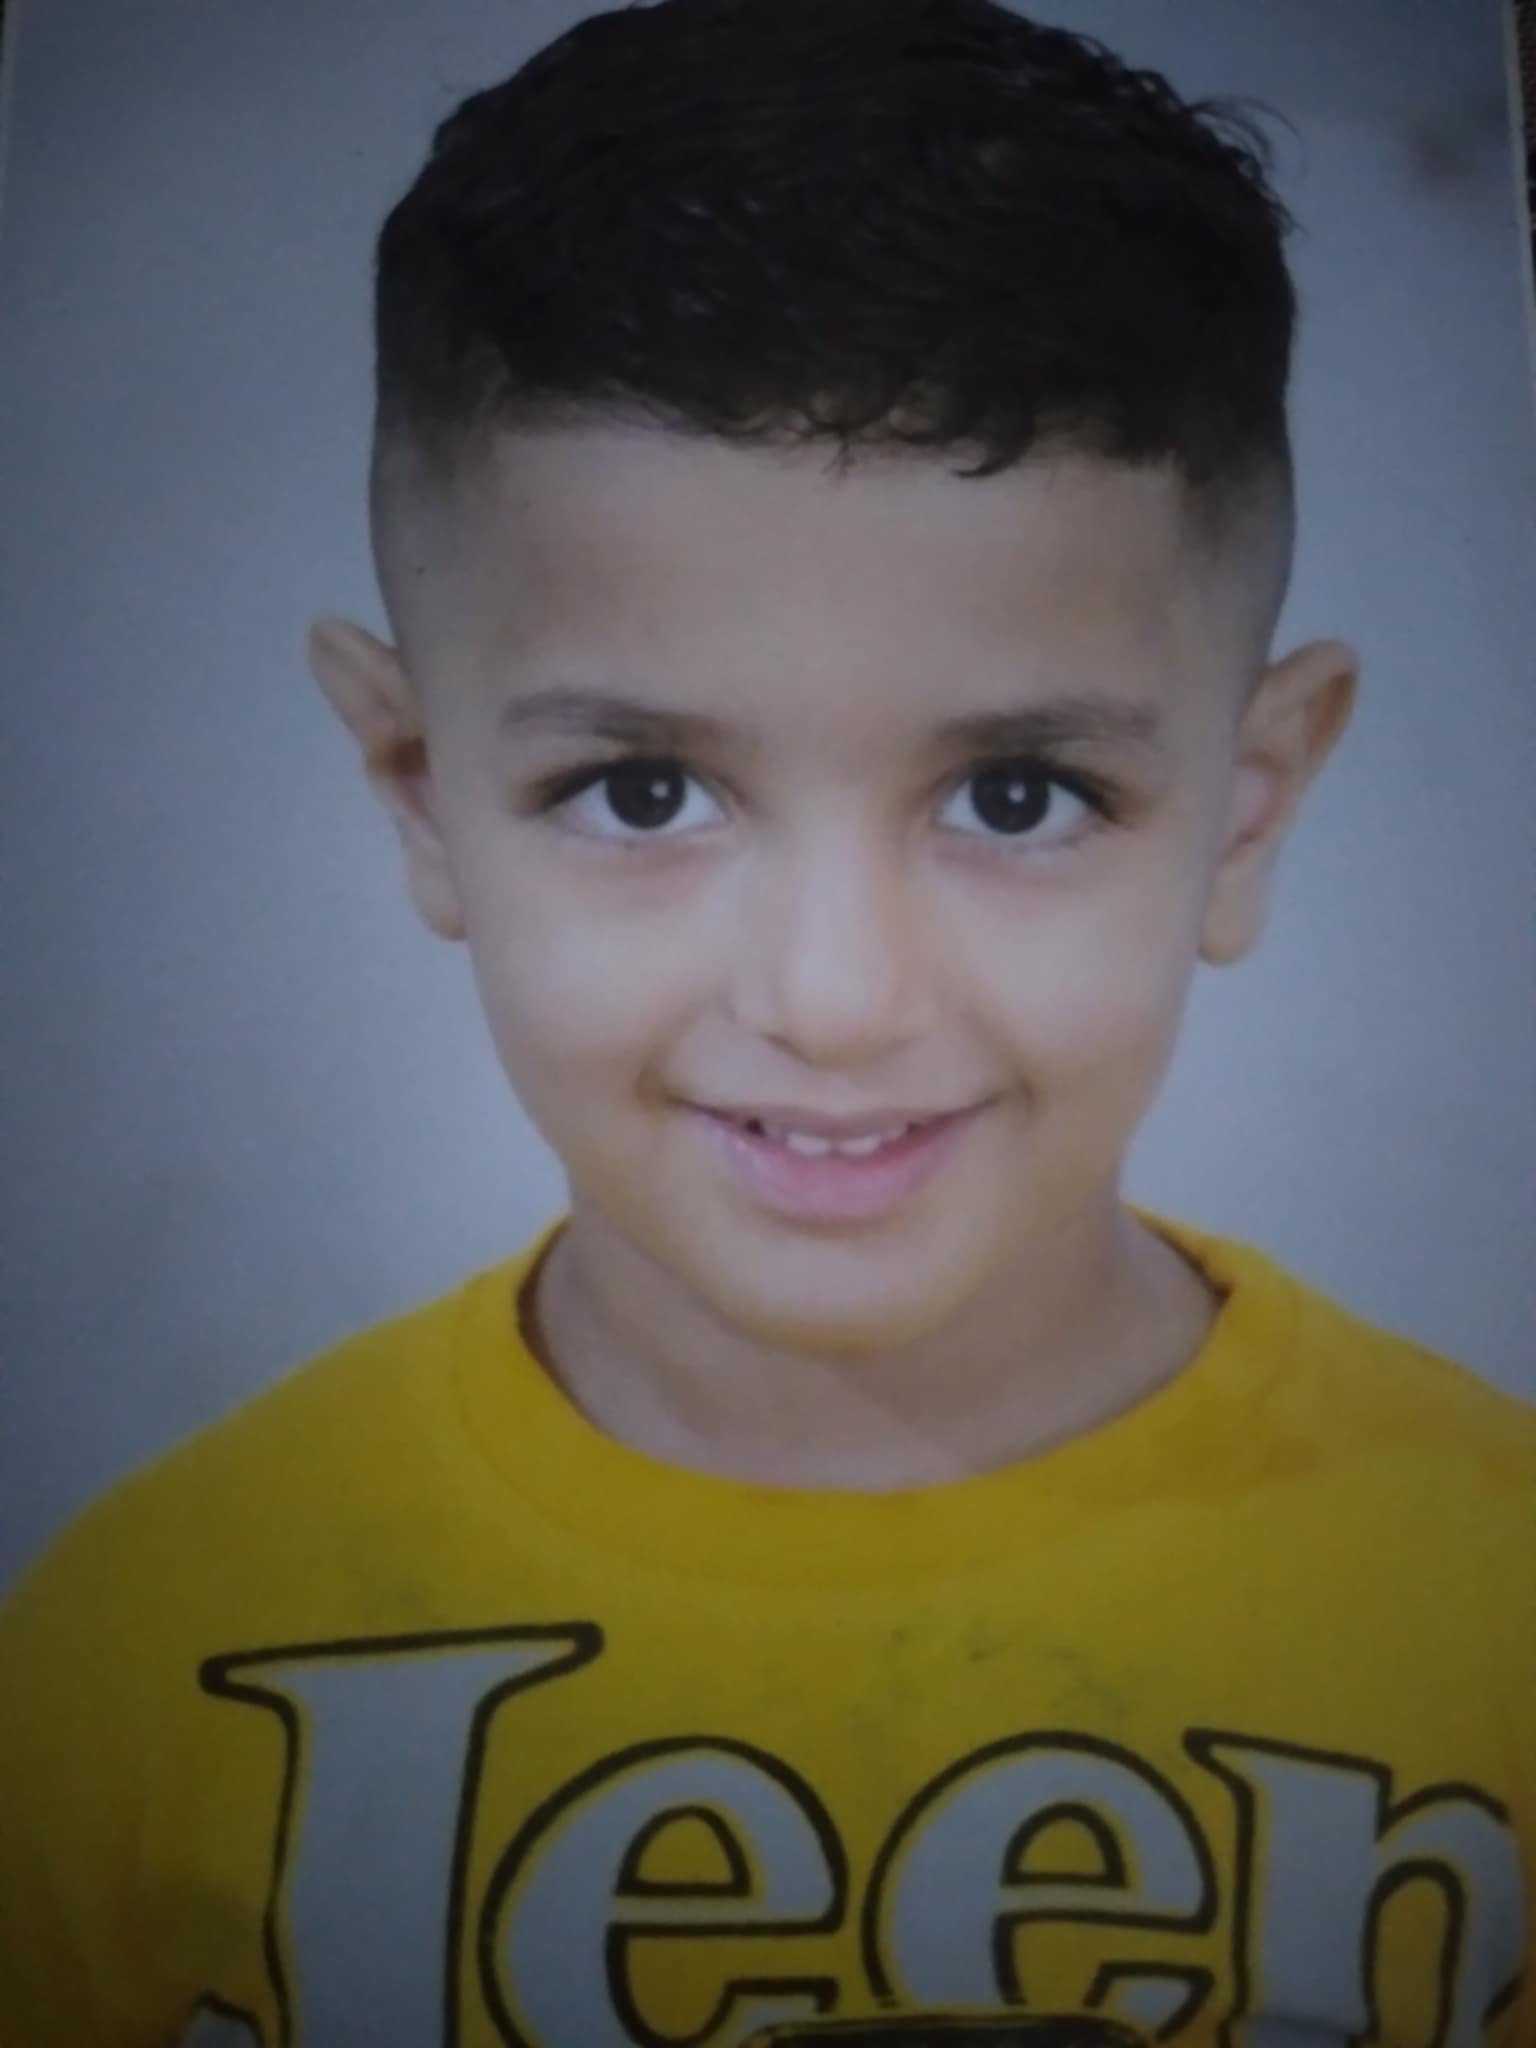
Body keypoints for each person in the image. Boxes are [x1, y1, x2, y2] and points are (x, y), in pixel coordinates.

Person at [0, 1, 1531, 2041]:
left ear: (1245, 814)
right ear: (417, 792)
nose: (834, 1000)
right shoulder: (130, 1656)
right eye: (643, 792)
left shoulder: (1498, 1601)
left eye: (1018, 796)